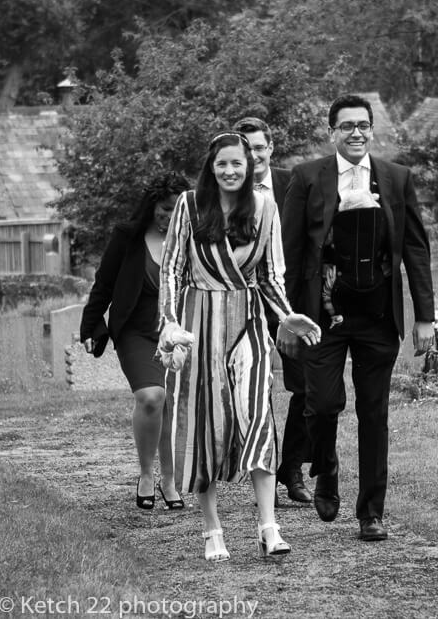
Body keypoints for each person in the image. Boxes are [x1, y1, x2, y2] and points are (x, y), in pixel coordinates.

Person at [158, 132, 320, 562]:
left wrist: (286, 315)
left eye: (238, 164)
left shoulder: (266, 208)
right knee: (205, 424)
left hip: (248, 323)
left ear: (250, 168)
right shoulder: (189, 206)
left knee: (258, 416)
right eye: (223, 163)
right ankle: (212, 529)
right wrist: (171, 323)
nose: (230, 171)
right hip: (198, 323)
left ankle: (269, 527)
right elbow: (172, 270)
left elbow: (270, 277)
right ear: (211, 166)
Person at [279, 93, 435, 541]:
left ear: (372, 129)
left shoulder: (396, 178)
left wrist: (425, 317)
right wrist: (287, 316)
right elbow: (290, 253)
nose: (356, 133)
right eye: (347, 126)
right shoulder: (307, 178)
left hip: (377, 314)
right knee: (323, 404)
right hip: (320, 316)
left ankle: (371, 512)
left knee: (374, 411)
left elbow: (415, 249)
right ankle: (325, 469)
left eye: (363, 125)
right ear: (333, 132)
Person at [80, 172, 191, 511]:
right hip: (136, 332)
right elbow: (104, 285)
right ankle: (146, 473)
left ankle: (169, 480)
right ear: (151, 206)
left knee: (172, 405)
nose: (169, 216)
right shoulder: (127, 237)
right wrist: (90, 326)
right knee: (151, 397)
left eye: (176, 209)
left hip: (181, 332)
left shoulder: (194, 239)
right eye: (163, 209)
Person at [233, 116, 313, 505]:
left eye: (259, 147)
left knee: (306, 387)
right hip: (245, 306)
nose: (253, 155)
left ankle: (292, 468)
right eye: (244, 149)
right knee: (256, 391)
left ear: (271, 149)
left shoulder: (293, 183)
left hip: (290, 304)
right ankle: (265, 467)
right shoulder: (224, 192)